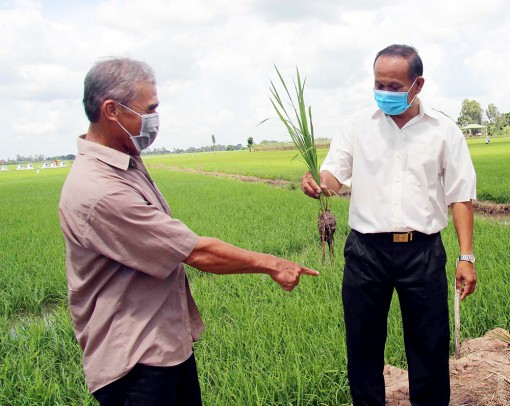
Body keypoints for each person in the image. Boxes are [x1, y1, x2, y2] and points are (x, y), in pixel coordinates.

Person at [58, 57, 319, 406]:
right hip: (135, 362)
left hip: (163, 347)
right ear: (112, 110)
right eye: (148, 109)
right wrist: (273, 263)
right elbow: (195, 252)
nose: (155, 119)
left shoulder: (125, 161)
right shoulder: (100, 189)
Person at [301, 44, 477, 406]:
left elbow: (460, 197)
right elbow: (334, 172)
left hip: (423, 251)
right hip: (367, 252)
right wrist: (320, 185)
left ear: (418, 85)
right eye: (378, 84)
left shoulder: (444, 131)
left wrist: (466, 256)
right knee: (363, 346)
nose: (384, 93)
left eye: (394, 87)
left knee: (429, 345)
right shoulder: (356, 127)